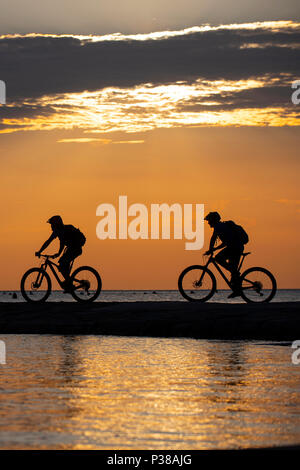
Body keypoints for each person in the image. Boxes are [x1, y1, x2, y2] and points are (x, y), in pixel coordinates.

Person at [204, 212, 246, 298]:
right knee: (232, 270)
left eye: (209, 221)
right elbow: (226, 243)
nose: (208, 223)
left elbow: (213, 239)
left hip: (235, 248)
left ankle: (236, 281)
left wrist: (211, 249)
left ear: (213, 220)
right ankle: (236, 288)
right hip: (234, 248)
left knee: (219, 259)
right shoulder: (221, 227)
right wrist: (213, 249)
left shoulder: (218, 227)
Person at [35, 215, 86, 289]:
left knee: (62, 263)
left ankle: (69, 283)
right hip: (71, 248)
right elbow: (55, 242)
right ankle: (68, 282)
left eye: (52, 224)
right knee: (63, 264)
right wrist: (57, 254)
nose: (51, 227)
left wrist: (40, 251)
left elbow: (54, 242)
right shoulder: (59, 231)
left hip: (75, 248)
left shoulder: (61, 231)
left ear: (56, 224)